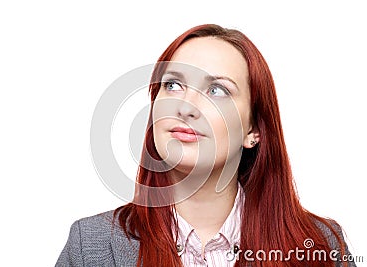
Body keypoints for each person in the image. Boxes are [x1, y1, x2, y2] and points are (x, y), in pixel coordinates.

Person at [56, 24, 355, 266]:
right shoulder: (90, 246)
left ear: (253, 129)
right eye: (172, 85)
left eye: (217, 90)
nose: (186, 107)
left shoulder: (323, 247)